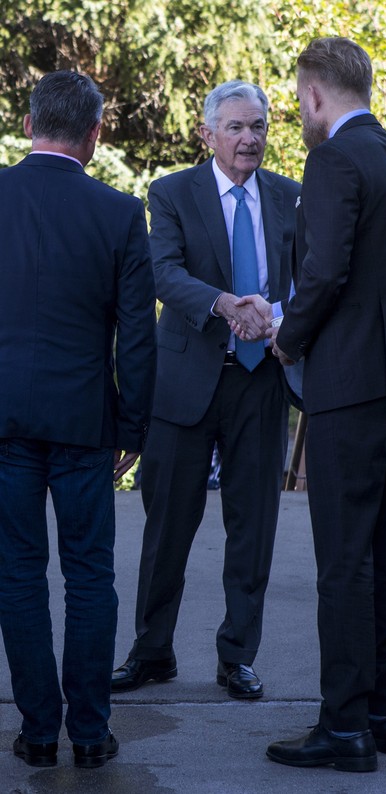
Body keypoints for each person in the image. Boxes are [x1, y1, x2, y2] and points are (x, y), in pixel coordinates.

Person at [266, 37, 386, 773]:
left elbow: (326, 268)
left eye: (299, 101)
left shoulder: (334, 157)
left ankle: (343, 727)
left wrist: (288, 336)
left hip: (351, 380)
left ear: (314, 95)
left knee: (344, 558)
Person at [111, 81, 300, 699]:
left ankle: (237, 656)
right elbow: (163, 272)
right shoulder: (170, 194)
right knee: (167, 527)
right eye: (238, 127)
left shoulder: (289, 198)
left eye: (260, 127)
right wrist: (224, 304)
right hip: (189, 381)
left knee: (255, 526)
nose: (251, 139)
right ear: (207, 133)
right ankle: (152, 652)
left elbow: (306, 282)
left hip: (261, 380)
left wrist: (278, 319)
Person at [0, 71, 157, 769]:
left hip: (5, 418)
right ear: (95, 134)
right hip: (86, 422)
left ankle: (38, 733)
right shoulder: (120, 212)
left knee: (17, 573)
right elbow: (137, 338)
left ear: (30, 120)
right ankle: (89, 734)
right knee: (91, 575)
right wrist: (133, 427)